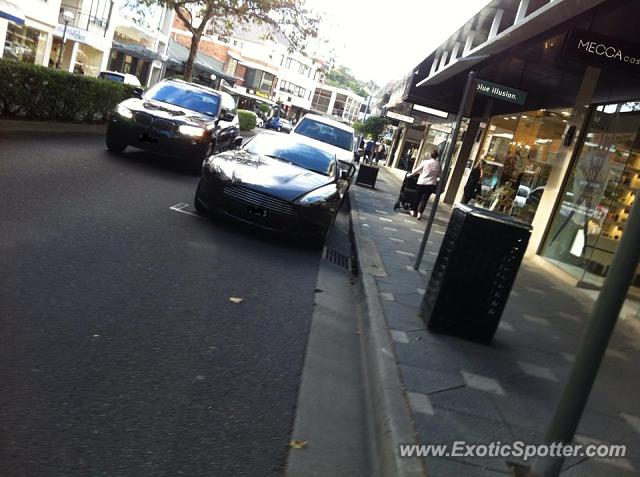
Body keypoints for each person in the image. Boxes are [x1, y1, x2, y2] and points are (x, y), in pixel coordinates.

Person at [408, 149, 441, 219]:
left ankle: (413, 211)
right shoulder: (438, 164)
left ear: (430, 155)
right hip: (431, 184)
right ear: (437, 156)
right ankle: (419, 213)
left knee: (418, 197)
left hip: (422, 182)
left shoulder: (425, 162)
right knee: (425, 199)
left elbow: (416, 171)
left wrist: (411, 175)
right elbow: (440, 175)